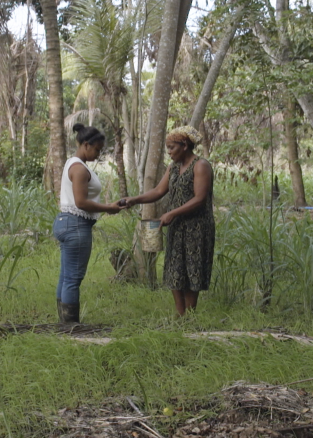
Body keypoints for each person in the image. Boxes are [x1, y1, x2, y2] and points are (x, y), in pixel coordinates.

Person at [119, 126, 214, 316]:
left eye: (171, 148)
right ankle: (180, 316)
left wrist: (172, 213)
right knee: (175, 267)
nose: (169, 152)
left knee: (192, 267)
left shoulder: (201, 165)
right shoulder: (173, 167)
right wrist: (134, 199)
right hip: (177, 226)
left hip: (197, 226)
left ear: (185, 145)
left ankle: (190, 316)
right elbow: (158, 191)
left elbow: (199, 198)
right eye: (167, 148)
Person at [55, 124, 121, 324]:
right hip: (76, 224)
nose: (98, 154)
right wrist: (108, 207)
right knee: (73, 279)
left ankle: (64, 323)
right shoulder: (80, 169)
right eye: (97, 150)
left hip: (65, 221)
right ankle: (71, 326)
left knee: (66, 276)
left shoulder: (72, 163)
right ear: (86, 145)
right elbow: (81, 202)